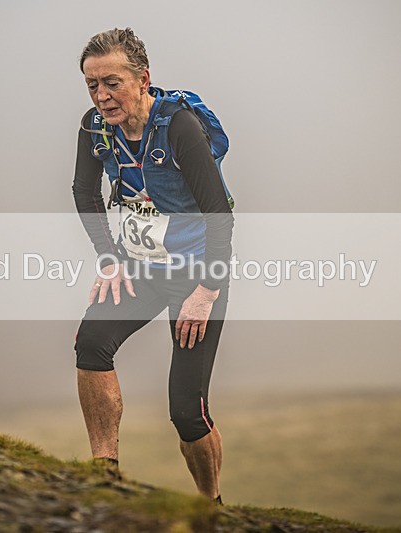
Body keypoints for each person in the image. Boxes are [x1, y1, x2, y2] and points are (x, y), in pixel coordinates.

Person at [72, 28, 233, 503]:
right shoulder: (94, 128)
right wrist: (109, 259)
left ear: (143, 79)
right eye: (92, 85)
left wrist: (205, 293)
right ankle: (106, 477)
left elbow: (219, 214)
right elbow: (85, 193)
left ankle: (212, 507)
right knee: (91, 343)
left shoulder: (178, 127)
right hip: (142, 269)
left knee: (186, 411)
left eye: (112, 83)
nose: (102, 96)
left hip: (197, 276)